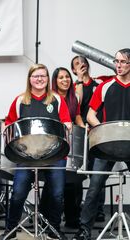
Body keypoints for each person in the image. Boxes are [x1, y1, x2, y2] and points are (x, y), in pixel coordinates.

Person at [0, 64, 71, 240]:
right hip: (26, 155)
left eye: (43, 76)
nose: (39, 79)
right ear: (29, 79)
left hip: (54, 154)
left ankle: (53, 229)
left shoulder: (56, 100)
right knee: (18, 193)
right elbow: (8, 124)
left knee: (57, 194)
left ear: (47, 79)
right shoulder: (20, 101)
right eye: (36, 76)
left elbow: (67, 123)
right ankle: (11, 229)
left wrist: (67, 128)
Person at [72, 48, 130, 240]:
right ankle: (84, 230)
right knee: (95, 186)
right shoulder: (105, 86)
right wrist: (107, 130)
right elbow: (89, 115)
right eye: (116, 62)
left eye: (123, 62)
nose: (118, 66)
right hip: (107, 145)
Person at [71, 56, 106, 222]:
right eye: (77, 64)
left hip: (96, 132)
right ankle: (76, 210)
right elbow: (76, 105)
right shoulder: (73, 87)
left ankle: (99, 210)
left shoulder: (98, 83)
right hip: (79, 134)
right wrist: (79, 80)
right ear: (73, 69)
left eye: (83, 62)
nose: (81, 65)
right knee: (77, 173)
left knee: (97, 171)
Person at [51, 67, 84, 229]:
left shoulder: (74, 97)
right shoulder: (50, 97)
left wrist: (83, 128)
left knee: (73, 180)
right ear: (55, 81)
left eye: (67, 77)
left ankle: (72, 219)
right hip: (54, 142)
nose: (65, 80)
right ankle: (49, 219)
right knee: (54, 180)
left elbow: (77, 115)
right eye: (61, 77)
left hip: (71, 140)